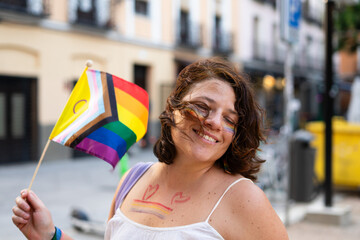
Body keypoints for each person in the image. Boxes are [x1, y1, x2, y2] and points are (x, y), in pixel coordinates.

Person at [12, 58, 289, 240]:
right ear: (173, 109)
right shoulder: (132, 179)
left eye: (230, 119)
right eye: (203, 107)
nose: (214, 122)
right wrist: (50, 235)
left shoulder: (243, 198)